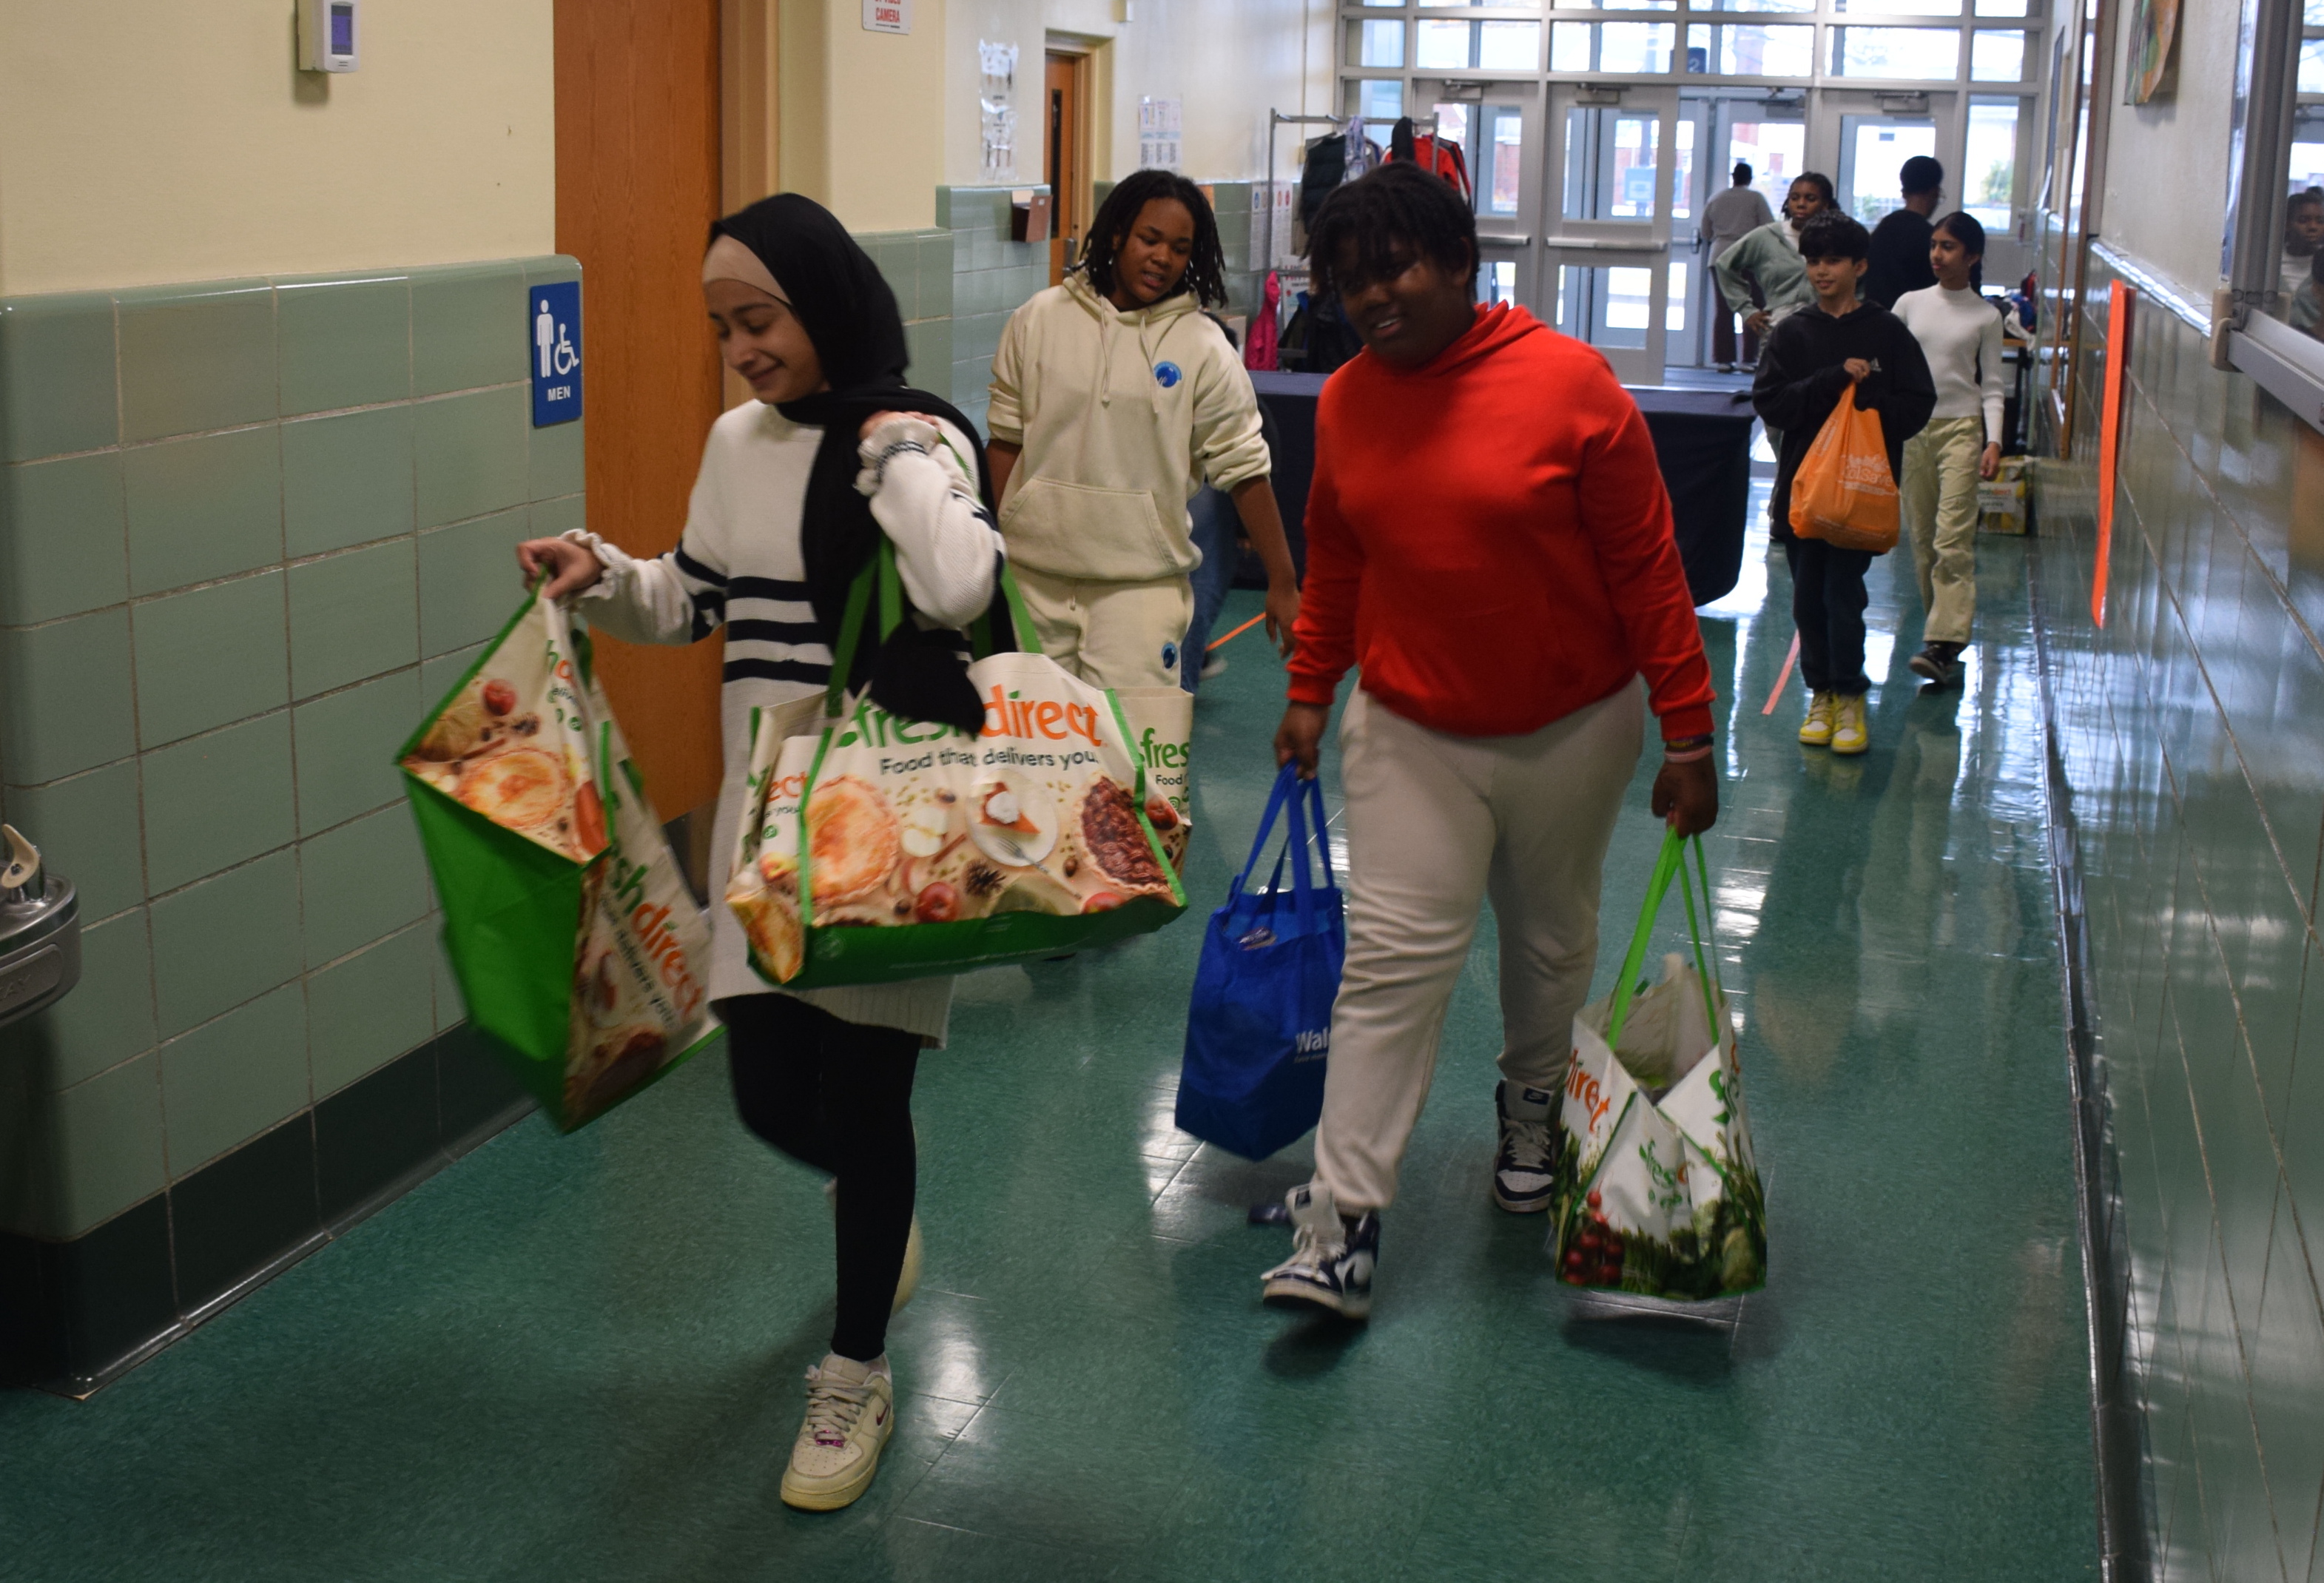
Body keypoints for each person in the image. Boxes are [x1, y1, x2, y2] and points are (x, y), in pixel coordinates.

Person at [513, 194, 1008, 1515]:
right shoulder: (737, 442)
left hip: (890, 824)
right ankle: (873, 1206)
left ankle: (855, 1369)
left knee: (870, 1092)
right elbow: (695, 596)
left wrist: (896, 457)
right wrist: (599, 571)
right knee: (769, 1095)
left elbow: (961, 585)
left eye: (759, 318)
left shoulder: (915, 433)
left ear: (825, 301)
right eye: (723, 326)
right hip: (762, 830)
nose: (739, 347)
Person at [1256, 163, 1720, 1319]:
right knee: (1391, 963)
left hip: (1571, 724)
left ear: (1462, 263)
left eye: (1397, 269)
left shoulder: (1569, 386)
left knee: (1551, 940)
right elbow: (1340, 556)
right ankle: (1342, 1221)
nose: (1373, 299)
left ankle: (1530, 1097)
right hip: (1412, 727)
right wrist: (1312, 687)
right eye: (1352, 281)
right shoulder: (1353, 397)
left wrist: (1689, 729)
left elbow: (1647, 566)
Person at [987, 170, 1300, 690]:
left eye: (1179, 248)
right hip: (1033, 580)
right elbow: (1004, 440)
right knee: (1034, 762)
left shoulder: (1202, 346)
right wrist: (1004, 535)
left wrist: (1283, 581)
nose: (1161, 258)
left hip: (1140, 590)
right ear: (1117, 234)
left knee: (1132, 763)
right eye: (1148, 239)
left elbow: (1245, 469)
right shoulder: (1037, 320)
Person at [1753, 209, 1937, 756]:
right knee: (1807, 598)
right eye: (1812, 260)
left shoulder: (1885, 331)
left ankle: (1850, 694)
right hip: (1803, 493)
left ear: (1859, 266)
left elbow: (1917, 403)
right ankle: (1820, 694)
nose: (1821, 271)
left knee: (1842, 594)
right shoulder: (1792, 331)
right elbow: (1772, 402)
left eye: (1832, 260)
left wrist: (1870, 399)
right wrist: (1831, 381)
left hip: (1859, 490)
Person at [1893, 212, 2006, 688]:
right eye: (1935, 245)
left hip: (1962, 431)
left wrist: (1994, 439)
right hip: (1914, 432)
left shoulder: (1986, 316)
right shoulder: (1909, 304)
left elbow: (1993, 385)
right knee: (1921, 541)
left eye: (1950, 247)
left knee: (1951, 541)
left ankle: (1943, 642)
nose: (1938, 254)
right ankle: (1942, 638)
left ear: (1973, 257)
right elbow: (1887, 361)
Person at [1714, 171, 1835, 349]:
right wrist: (1747, 310)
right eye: (1795, 198)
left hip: (1825, 332)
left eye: (1810, 199)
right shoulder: (1768, 236)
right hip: (1779, 332)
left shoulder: (1835, 238)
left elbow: (1857, 279)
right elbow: (1724, 265)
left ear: (1825, 205)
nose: (1801, 204)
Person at [1700, 162, 1775, 371]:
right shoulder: (1756, 199)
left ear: (1733, 177)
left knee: (1723, 309)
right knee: (1753, 307)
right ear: (1750, 179)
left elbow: (1705, 232)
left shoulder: (1716, 199)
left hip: (1720, 256)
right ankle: (1749, 359)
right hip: (1749, 257)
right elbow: (1769, 227)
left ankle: (1724, 360)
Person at [1865, 155, 1944, 309]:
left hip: (1876, 321)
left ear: (1904, 192)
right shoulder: (1932, 239)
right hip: (1915, 324)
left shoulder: (1881, 230)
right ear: (1934, 192)